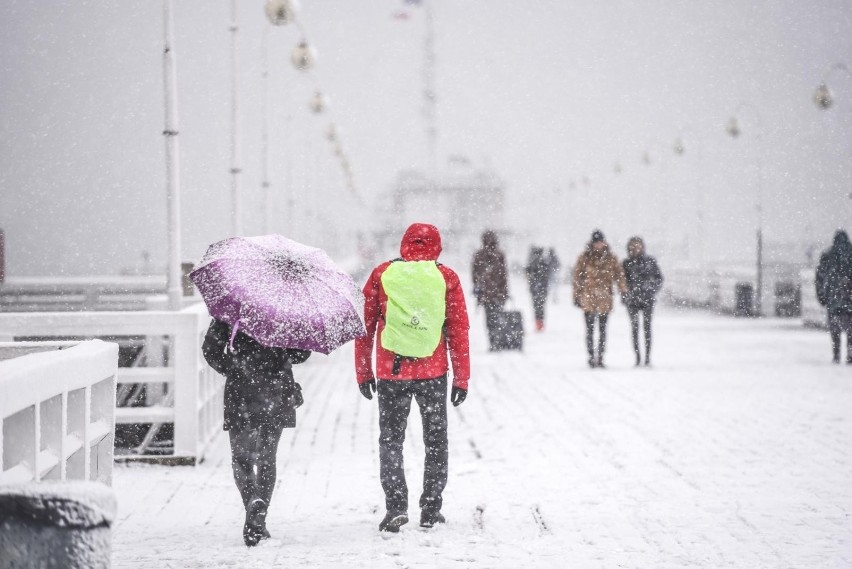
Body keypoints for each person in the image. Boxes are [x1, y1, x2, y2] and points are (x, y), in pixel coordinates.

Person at [355, 223, 471, 533]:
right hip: (433, 372)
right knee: (435, 440)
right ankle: (431, 507)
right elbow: (458, 330)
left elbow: (364, 327)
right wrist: (462, 377)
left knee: (391, 439)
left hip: (391, 372)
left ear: (404, 244)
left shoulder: (382, 274)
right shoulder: (446, 277)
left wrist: (363, 371)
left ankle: (395, 506)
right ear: (438, 246)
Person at [202, 318, 310, 546]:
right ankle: (258, 518)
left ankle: (253, 501)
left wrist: (233, 366)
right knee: (267, 458)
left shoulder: (232, 307)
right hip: (277, 387)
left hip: (241, 389)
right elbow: (301, 355)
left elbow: (210, 349)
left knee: (241, 458)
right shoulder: (285, 308)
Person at [572, 230, 627, 368]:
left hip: (604, 298)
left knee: (602, 330)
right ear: (592, 243)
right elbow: (577, 277)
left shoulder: (611, 258)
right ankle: (591, 357)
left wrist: (623, 291)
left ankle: (601, 357)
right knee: (590, 330)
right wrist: (576, 295)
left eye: (600, 242)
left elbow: (619, 275)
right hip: (588, 298)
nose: (598, 245)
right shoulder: (584, 257)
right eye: (596, 242)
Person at [622, 236, 663, 366]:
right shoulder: (626, 263)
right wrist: (626, 295)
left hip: (647, 300)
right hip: (632, 300)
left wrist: (651, 289)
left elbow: (659, 278)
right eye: (633, 246)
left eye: (638, 246)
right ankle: (638, 356)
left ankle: (647, 357)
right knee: (634, 328)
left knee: (647, 328)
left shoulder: (650, 261)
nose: (636, 249)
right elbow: (622, 282)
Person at [815, 229, 852, 363]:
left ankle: (836, 354)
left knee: (835, 328)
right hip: (850, 299)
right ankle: (850, 353)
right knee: (851, 329)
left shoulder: (827, 255)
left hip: (833, 299)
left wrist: (821, 296)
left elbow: (819, 278)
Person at [472, 230, 509, 350]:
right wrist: (504, 291)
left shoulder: (479, 255)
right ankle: (496, 341)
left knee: (490, 319)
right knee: (497, 318)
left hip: (486, 294)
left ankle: (493, 342)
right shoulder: (499, 255)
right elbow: (504, 275)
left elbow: (475, 275)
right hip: (497, 293)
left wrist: (478, 290)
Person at [526, 246, 551, 331]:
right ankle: (540, 323)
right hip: (542, 289)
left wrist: (533, 283)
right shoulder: (544, 262)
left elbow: (528, 274)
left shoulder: (531, 262)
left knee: (536, 306)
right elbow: (547, 275)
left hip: (535, 289)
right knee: (541, 306)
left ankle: (538, 323)